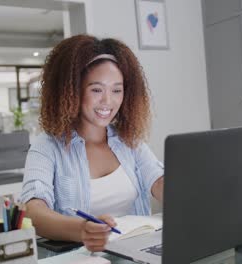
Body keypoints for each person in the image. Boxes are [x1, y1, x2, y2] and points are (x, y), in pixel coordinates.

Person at [20, 34, 164, 252]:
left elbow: (159, 182)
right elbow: (33, 211)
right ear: (71, 90)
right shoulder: (47, 146)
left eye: (117, 90)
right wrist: (82, 229)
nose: (108, 101)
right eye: (96, 89)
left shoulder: (129, 141)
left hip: (135, 255)